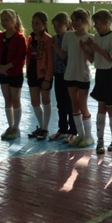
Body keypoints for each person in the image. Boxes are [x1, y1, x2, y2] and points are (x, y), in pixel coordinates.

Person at [53, 8, 94, 147]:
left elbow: (92, 59)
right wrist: (55, 46)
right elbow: (64, 54)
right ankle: (80, 135)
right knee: (74, 106)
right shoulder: (68, 36)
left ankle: (89, 136)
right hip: (70, 75)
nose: (74, 23)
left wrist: (84, 48)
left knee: (83, 105)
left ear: (85, 21)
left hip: (83, 75)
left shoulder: (90, 38)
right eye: (73, 20)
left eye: (77, 20)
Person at [87, 9, 112, 154]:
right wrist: (86, 48)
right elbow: (93, 59)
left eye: (97, 23)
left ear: (106, 22)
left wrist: (97, 48)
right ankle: (100, 140)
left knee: (111, 108)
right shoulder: (97, 36)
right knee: (101, 107)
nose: (95, 26)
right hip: (101, 73)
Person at [0, 9, 26, 140]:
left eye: (6, 20)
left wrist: (7, 66)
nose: (4, 22)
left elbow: (21, 57)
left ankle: (16, 128)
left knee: (15, 99)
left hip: (15, 73)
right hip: (3, 73)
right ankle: (10, 126)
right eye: (2, 20)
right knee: (7, 100)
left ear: (13, 21)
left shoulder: (19, 38)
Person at [48, 12, 77, 143]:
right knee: (60, 104)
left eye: (59, 25)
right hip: (58, 74)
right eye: (54, 25)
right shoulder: (54, 38)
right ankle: (62, 128)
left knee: (70, 104)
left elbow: (65, 55)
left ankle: (73, 130)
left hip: (69, 75)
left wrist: (55, 46)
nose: (56, 28)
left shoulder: (70, 37)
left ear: (67, 24)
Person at [25, 12, 54, 141]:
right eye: (33, 23)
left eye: (37, 23)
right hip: (32, 73)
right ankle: (41, 126)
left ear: (44, 24)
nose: (34, 26)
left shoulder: (48, 40)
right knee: (35, 101)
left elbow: (50, 61)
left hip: (43, 74)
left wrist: (48, 78)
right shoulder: (30, 38)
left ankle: (45, 128)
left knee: (45, 100)